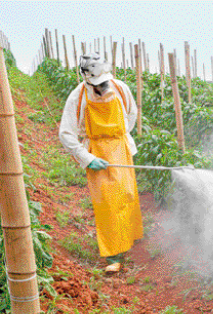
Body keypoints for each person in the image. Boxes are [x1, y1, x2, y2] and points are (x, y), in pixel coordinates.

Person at [59, 52, 143, 271]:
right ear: (86, 78)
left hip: (121, 148)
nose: (103, 88)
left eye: (105, 83)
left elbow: (131, 115)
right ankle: (113, 256)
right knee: (107, 203)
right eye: (98, 84)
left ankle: (128, 238)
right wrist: (87, 158)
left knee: (127, 194)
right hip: (97, 152)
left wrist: (119, 139)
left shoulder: (121, 88)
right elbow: (66, 134)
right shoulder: (77, 97)